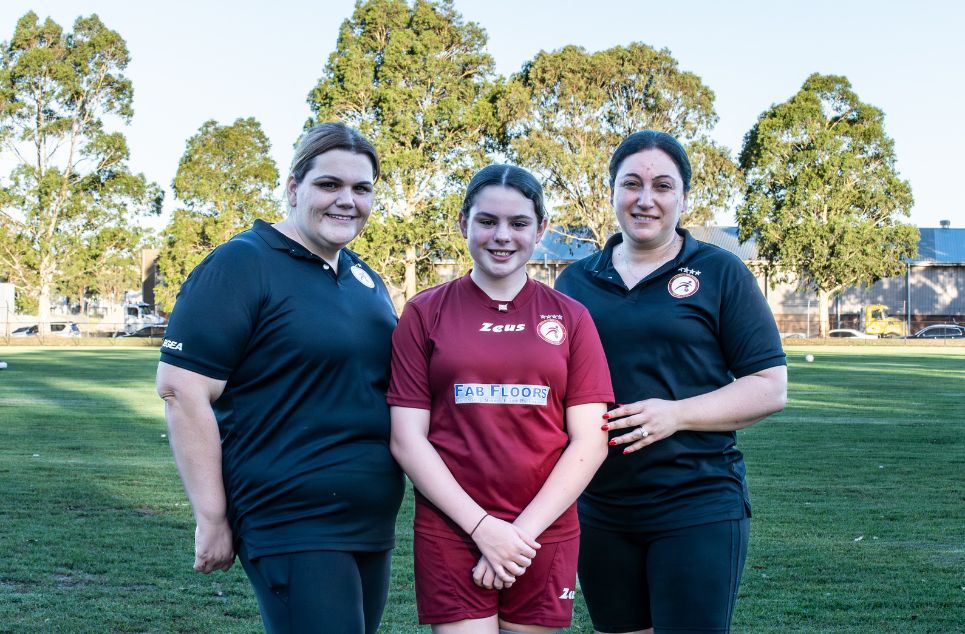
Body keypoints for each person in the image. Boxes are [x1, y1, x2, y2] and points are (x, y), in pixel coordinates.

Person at [155, 122, 404, 634]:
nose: (347, 201)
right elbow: (182, 391)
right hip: (289, 515)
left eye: (361, 188)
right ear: (293, 189)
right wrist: (213, 517)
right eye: (329, 185)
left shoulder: (364, 279)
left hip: (370, 520)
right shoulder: (243, 263)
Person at [555, 130, 788, 634]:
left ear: (683, 197)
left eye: (662, 185)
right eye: (631, 183)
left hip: (696, 502)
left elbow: (770, 386)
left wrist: (676, 413)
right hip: (600, 506)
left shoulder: (719, 271)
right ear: (612, 190)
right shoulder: (575, 282)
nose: (645, 199)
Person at [388, 165, 614, 633]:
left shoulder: (571, 318)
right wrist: (482, 528)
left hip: (543, 531)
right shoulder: (423, 313)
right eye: (487, 221)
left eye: (519, 223)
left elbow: (590, 441)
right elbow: (408, 440)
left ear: (542, 229)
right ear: (463, 223)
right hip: (453, 528)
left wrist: (518, 535)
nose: (502, 236)